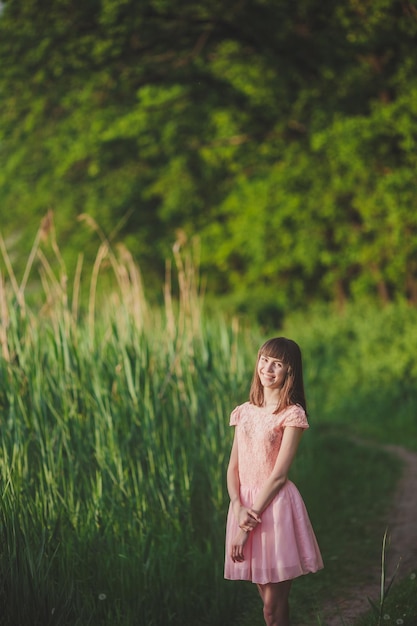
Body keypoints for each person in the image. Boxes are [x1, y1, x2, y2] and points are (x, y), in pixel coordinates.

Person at [224, 337, 323, 626]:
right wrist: (237, 506)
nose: (268, 368)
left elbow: (279, 475)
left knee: (271, 606)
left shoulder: (292, 413)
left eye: (277, 364)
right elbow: (233, 467)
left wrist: (247, 522)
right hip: (243, 506)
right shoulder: (243, 411)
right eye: (264, 360)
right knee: (269, 603)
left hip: (274, 508)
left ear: (289, 372)